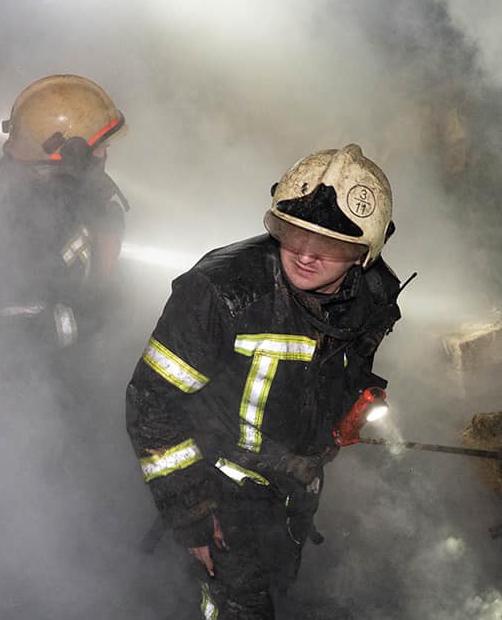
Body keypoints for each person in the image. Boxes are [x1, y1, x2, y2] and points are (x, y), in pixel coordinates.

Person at [125, 144, 407, 618]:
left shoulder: (375, 295)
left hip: (292, 489)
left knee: (278, 587)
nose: (306, 255)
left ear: (365, 253)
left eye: (330, 245)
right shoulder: (222, 290)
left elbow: (341, 369)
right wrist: (192, 513)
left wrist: (344, 415)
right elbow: (151, 402)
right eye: (293, 234)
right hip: (219, 487)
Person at [0, 74, 128, 354]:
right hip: (43, 372)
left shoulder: (61, 199)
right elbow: (14, 331)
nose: (106, 150)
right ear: (73, 152)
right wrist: (99, 311)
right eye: (100, 145)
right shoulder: (32, 220)